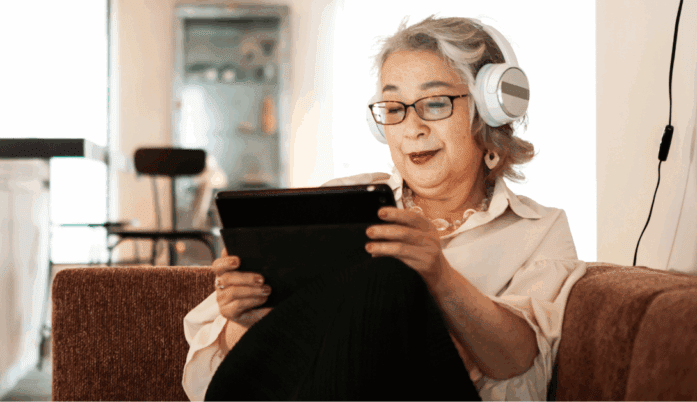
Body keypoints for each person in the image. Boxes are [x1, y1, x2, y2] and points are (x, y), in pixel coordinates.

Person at [183, 15, 587, 401]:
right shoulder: (339, 202)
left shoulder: (540, 230)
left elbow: (519, 365)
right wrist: (249, 319)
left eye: (435, 103)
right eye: (395, 109)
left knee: (391, 276)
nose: (413, 127)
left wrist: (439, 275)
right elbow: (207, 377)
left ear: (489, 110)